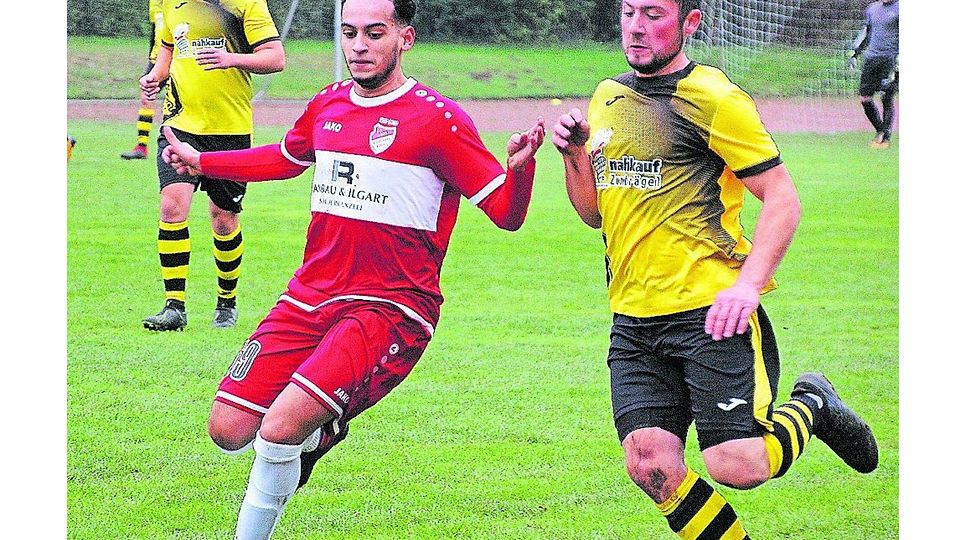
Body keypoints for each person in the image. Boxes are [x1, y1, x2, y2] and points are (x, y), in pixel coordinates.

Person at [162, 0, 545, 537]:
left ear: (404, 38)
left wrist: (519, 172)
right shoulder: (329, 104)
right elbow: (285, 159)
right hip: (310, 296)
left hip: (388, 306)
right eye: (349, 34)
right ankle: (321, 433)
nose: (359, 45)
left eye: (374, 33)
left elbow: (506, 215)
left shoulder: (439, 122)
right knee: (227, 429)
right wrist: (205, 162)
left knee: (278, 430)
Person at [552, 1, 878, 538]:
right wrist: (574, 156)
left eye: (653, 14)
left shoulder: (716, 99)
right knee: (651, 465)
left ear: (690, 23)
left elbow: (782, 198)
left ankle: (812, 403)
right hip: (633, 319)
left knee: (737, 464)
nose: (635, 26)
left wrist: (748, 285)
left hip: (710, 312)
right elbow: (594, 214)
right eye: (629, 11)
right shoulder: (609, 97)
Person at [138, 0, 286, 331]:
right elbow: (168, 46)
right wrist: (154, 77)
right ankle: (174, 307)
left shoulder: (246, 4)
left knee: (223, 219)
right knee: (171, 206)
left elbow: (276, 58)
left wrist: (231, 59)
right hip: (180, 125)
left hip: (229, 131)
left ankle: (226, 302)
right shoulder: (170, 3)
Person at [848, 0, 899, 149]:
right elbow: (866, 32)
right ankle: (881, 131)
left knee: (886, 96)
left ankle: (884, 138)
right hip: (871, 59)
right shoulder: (873, 8)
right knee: (864, 98)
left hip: (890, 59)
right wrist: (855, 52)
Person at [122, 0, 165, 160]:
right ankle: (141, 147)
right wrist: (152, 58)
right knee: (146, 97)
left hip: (180, 58)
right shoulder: (155, 5)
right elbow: (155, 32)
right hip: (158, 59)